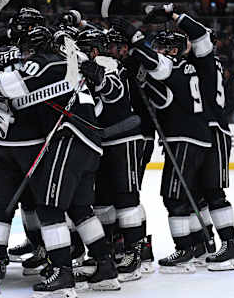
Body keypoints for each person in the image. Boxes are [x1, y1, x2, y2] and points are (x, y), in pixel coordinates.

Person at [0, 7, 120, 295]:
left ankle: (63, 273)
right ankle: (105, 267)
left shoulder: (45, 62)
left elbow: (7, 86)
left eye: (25, 48)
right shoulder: (71, 60)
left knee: (48, 206)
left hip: (69, 138)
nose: (23, 54)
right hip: (91, 142)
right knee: (80, 208)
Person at [142, 4, 234, 271]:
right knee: (196, 194)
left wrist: (172, 12)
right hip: (202, 131)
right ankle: (202, 244)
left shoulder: (205, 59)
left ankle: (229, 248)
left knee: (212, 192)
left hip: (213, 130)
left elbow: (198, 34)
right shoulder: (192, 64)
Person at [76, 27, 154, 282]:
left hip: (124, 139)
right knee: (101, 200)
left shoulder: (106, 63)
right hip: (103, 141)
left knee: (126, 197)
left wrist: (98, 77)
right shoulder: (85, 65)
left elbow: (115, 94)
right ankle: (110, 249)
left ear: (96, 50)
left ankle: (134, 254)